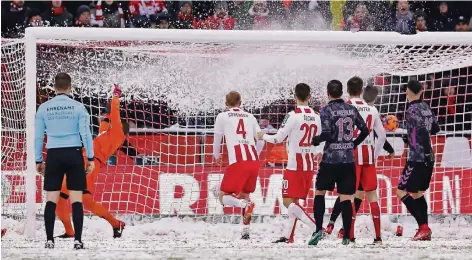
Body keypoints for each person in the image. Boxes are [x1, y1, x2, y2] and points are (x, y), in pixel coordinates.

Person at [56, 85, 127, 239]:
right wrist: (107, 112)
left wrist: (115, 97)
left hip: (89, 163)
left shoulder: (118, 133)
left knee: (79, 199)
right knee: (62, 196)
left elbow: (114, 115)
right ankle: (70, 231)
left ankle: (115, 223)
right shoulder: (105, 132)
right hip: (82, 161)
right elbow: (108, 118)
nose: (103, 121)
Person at [35, 73, 94, 249]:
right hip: (74, 153)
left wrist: (39, 159)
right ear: (70, 87)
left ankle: (49, 240)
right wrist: (90, 157)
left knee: (51, 199)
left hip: (53, 154)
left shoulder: (44, 108)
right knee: (76, 199)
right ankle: (78, 240)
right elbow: (86, 134)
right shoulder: (79, 107)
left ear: (54, 87)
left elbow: (39, 137)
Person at [257, 83, 322, 244]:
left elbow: (277, 138)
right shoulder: (317, 116)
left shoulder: (293, 115)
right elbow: (321, 142)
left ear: (294, 97)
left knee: (287, 201)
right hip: (309, 165)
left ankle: (316, 227)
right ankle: (288, 236)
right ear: (310, 97)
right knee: (295, 202)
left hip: (294, 165)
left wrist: (262, 136)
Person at [325, 79, 386, 244]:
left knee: (348, 197)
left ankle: (350, 236)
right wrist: (375, 155)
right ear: (361, 90)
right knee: (372, 196)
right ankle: (378, 237)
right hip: (368, 158)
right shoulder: (372, 109)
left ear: (347, 90)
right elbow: (382, 136)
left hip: (349, 158)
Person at [310, 79, 369, 246]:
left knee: (320, 192)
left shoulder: (326, 110)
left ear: (328, 94)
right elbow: (365, 130)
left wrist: (317, 139)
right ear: (342, 92)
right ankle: (346, 237)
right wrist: (354, 144)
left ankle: (318, 230)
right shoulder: (351, 109)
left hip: (330, 160)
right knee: (346, 198)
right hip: (348, 160)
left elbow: (327, 134)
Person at [213, 91, 263, 239]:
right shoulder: (251, 116)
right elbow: (261, 139)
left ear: (226, 104)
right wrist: (256, 154)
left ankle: (244, 206)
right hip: (254, 161)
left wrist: (216, 155)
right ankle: (246, 232)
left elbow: (217, 140)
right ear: (241, 103)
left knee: (222, 196)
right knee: (245, 195)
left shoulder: (222, 116)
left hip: (238, 161)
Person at [397, 80, 440, 241]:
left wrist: (415, 140)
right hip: (429, 157)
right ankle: (425, 231)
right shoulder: (426, 107)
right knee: (418, 194)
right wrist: (409, 135)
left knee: (400, 191)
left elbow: (421, 132)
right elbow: (435, 128)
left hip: (416, 158)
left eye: (406, 90)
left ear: (409, 91)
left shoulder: (411, 109)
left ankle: (423, 226)